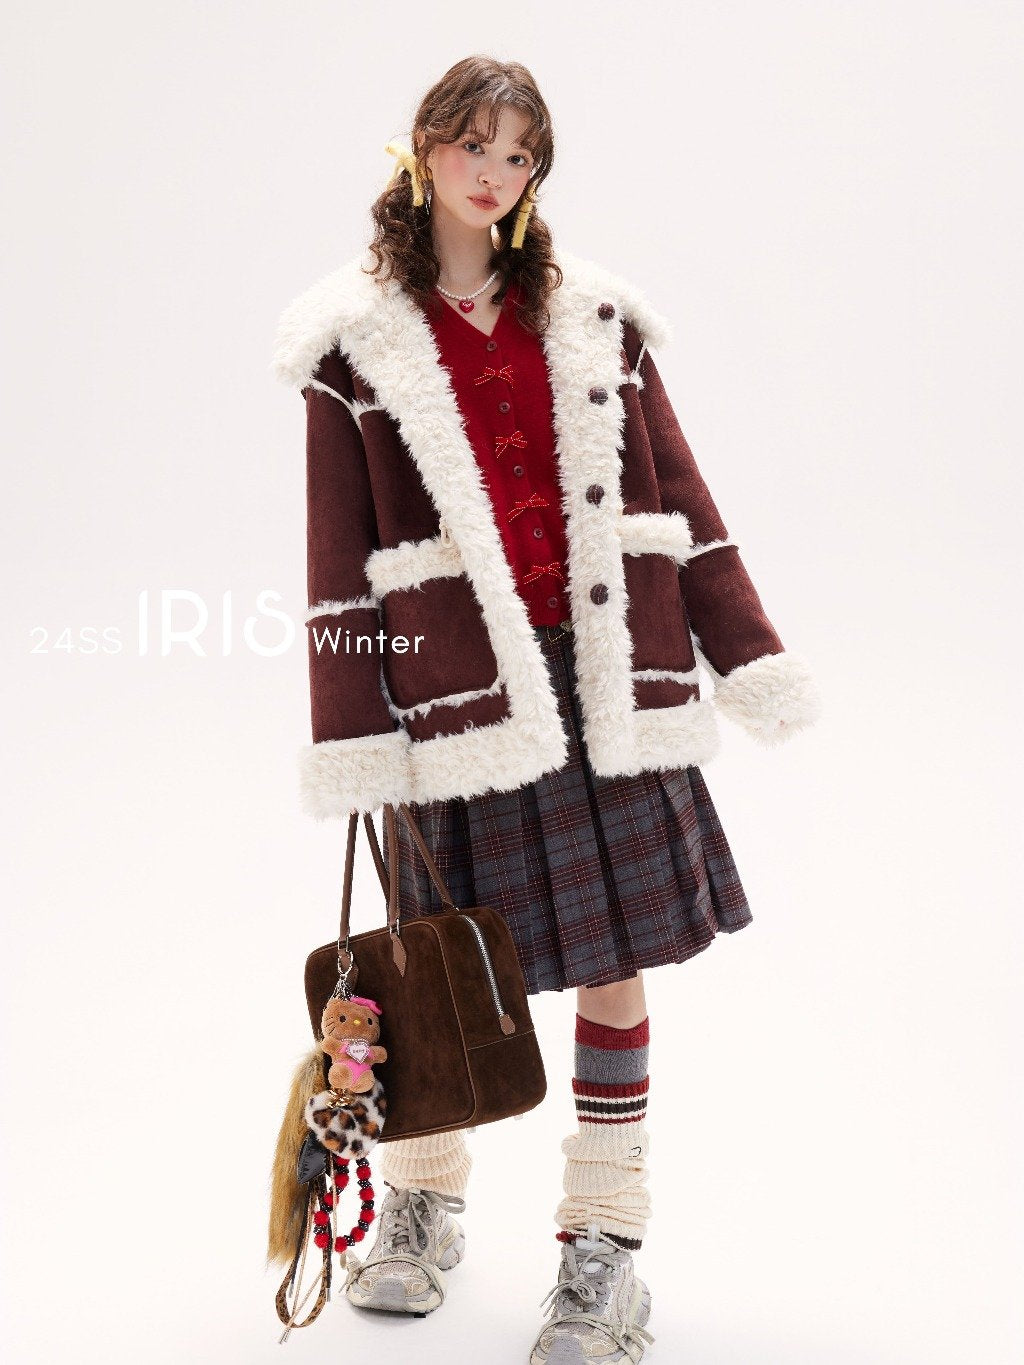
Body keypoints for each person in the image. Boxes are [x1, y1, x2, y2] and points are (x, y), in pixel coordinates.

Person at [272, 53, 821, 1365]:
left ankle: (604, 1245)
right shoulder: (353, 345)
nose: (498, 172)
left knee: (615, 965)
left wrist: (747, 655)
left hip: (609, 681)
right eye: (476, 144)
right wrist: (357, 736)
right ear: (424, 149)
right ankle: (422, 1199)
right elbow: (338, 563)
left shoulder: (597, 321)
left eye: (521, 153)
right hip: (457, 695)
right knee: (436, 955)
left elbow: (683, 501)